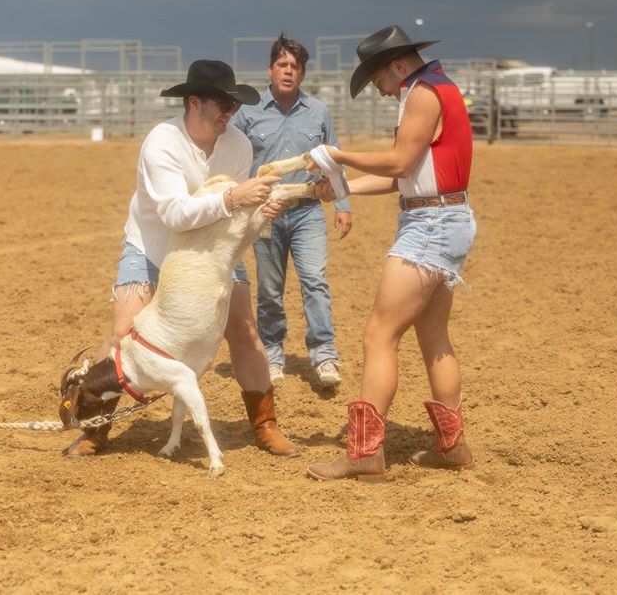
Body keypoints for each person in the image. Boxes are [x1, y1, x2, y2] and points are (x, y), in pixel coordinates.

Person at [65, 59, 300, 459]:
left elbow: (237, 214)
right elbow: (175, 214)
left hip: (211, 253)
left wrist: (256, 214)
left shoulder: (238, 146)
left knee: (243, 331)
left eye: (234, 105)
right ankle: (96, 428)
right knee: (123, 332)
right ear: (195, 103)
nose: (231, 113)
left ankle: (265, 424)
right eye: (223, 105)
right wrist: (231, 199)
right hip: (152, 247)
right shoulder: (162, 142)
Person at [305, 25, 477, 481]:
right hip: (446, 217)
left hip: (430, 225)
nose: (380, 91)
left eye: (378, 80)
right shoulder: (439, 88)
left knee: (378, 334)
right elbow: (406, 176)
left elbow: (399, 163)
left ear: (397, 66)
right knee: (434, 335)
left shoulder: (422, 94)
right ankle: (452, 445)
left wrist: (338, 156)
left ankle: (365, 453)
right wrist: (341, 190)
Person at [232, 33, 352, 388]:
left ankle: (324, 354)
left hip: (307, 210)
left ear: (303, 73)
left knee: (315, 280)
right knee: (270, 290)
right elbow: (235, 161)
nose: (288, 71)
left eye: (295, 66)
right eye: (282, 64)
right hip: (266, 214)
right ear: (270, 70)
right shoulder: (247, 114)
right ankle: (272, 353)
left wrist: (342, 203)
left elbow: (334, 160)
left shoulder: (318, 112)